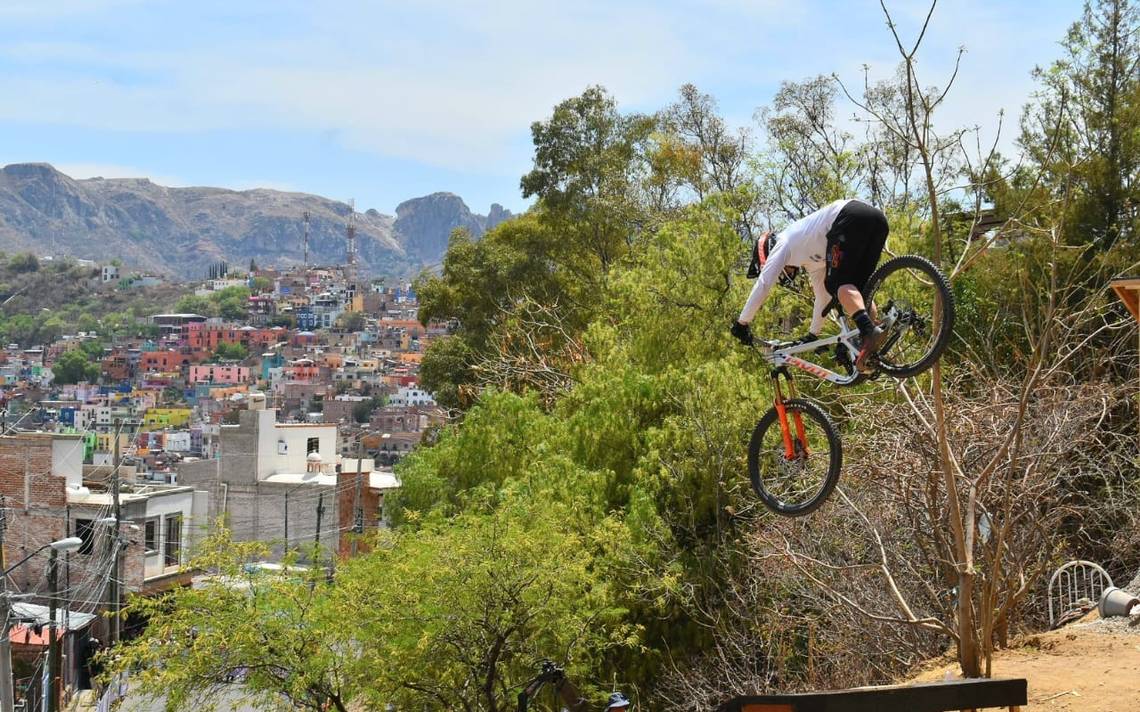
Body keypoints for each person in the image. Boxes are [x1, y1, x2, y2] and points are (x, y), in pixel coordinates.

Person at [730, 199, 889, 372]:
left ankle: (868, 331)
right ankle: (874, 336)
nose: (783, 275)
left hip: (849, 216)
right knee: (857, 290)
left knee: (838, 285)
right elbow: (822, 297)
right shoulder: (810, 259)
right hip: (878, 221)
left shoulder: (784, 242)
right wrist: (814, 334)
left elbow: (764, 283)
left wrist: (742, 323)